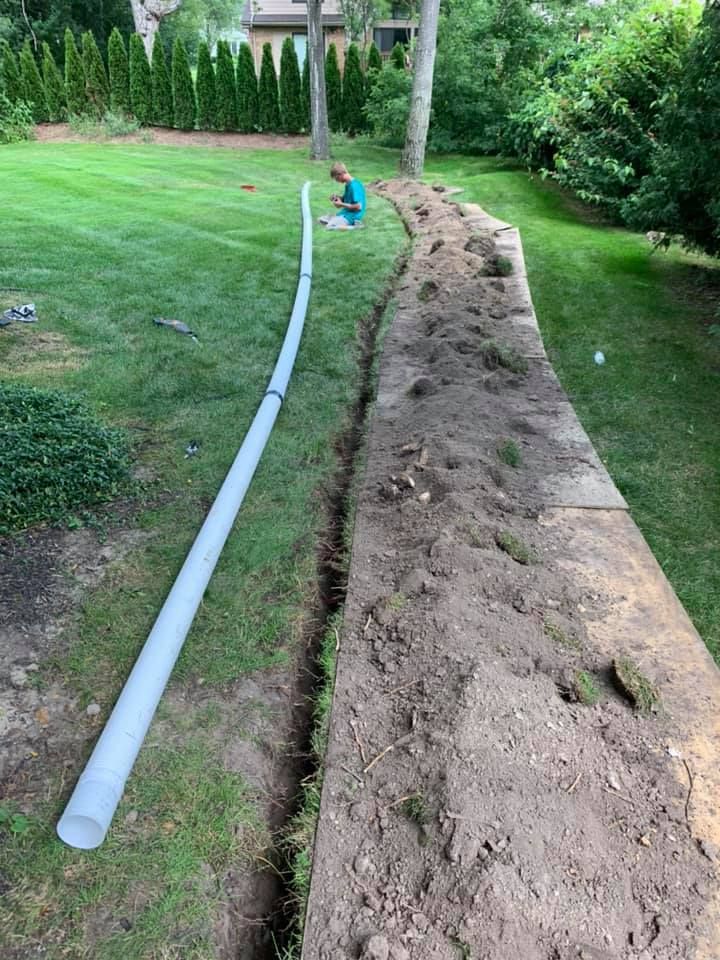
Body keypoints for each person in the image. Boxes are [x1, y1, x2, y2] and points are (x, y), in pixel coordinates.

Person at [318, 162, 366, 230]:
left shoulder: (354, 186)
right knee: (321, 219)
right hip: (345, 213)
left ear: (340, 174)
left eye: (336, 178)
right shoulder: (348, 184)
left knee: (329, 226)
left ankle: (355, 226)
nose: (336, 181)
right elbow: (347, 199)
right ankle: (338, 221)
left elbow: (358, 207)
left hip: (352, 216)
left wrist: (341, 204)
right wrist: (337, 198)